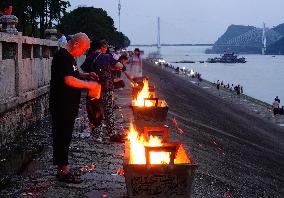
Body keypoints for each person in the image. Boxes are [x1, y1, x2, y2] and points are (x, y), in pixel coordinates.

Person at [49, 32, 101, 184]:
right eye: (84, 49)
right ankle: (63, 171)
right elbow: (68, 79)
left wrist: (86, 75)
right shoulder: (62, 56)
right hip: (61, 104)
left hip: (69, 103)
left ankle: (63, 167)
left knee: (65, 136)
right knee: (62, 136)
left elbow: (74, 73)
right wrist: (88, 85)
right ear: (76, 44)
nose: (83, 52)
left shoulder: (70, 57)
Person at [81, 40, 124, 142]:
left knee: (95, 110)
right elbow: (120, 66)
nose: (106, 49)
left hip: (93, 88)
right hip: (106, 88)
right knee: (108, 110)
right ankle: (111, 133)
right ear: (101, 48)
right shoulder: (106, 57)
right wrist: (110, 68)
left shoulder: (89, 58)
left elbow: (84, 70)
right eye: (105, 47)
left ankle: (97, 135)